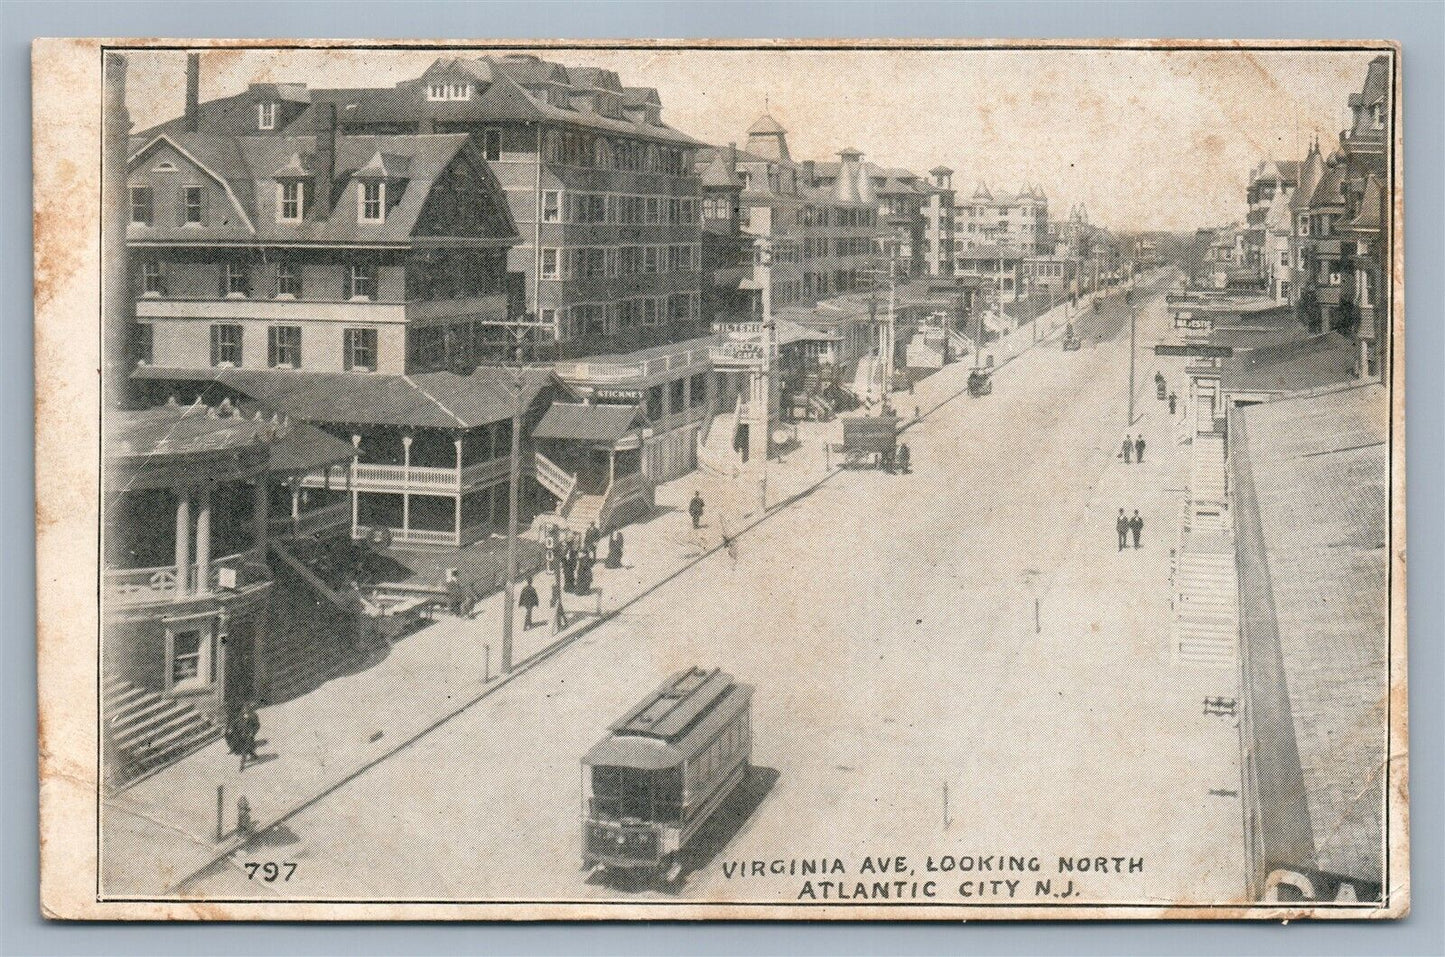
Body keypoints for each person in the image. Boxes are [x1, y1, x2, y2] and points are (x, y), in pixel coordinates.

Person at [226, 702, 260, 772]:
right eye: (244, 708)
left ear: (250, 708)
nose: (245, 710)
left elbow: (257, 725)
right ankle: (253, 754)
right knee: (244, 747)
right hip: (240, 734)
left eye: (247, 708)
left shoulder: (253, 715)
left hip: (248, 735)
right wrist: (231, 728)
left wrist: (252, 733)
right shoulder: (241, 714)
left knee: (244, 749)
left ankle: (242, 765)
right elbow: (236, 722)